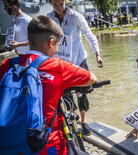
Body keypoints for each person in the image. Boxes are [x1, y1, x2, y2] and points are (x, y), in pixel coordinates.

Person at [0, 15, 97, 155]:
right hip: (46, 145)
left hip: (9, 142)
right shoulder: (57, 66)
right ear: (51, 43)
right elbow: (92, 78)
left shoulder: (7, 65)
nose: (57, 50)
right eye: (58, 45)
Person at [47, 0, 104, 136]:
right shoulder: (49, 17)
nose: (59, 8)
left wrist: (97, 54)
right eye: (56, 5)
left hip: (78, 59)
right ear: (51, 3)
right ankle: (73, 115)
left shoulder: (76, 16)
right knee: (65, 92)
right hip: (61, 62)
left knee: (82, 92)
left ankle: (84, 122)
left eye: (61, 4)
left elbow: (89, 34)